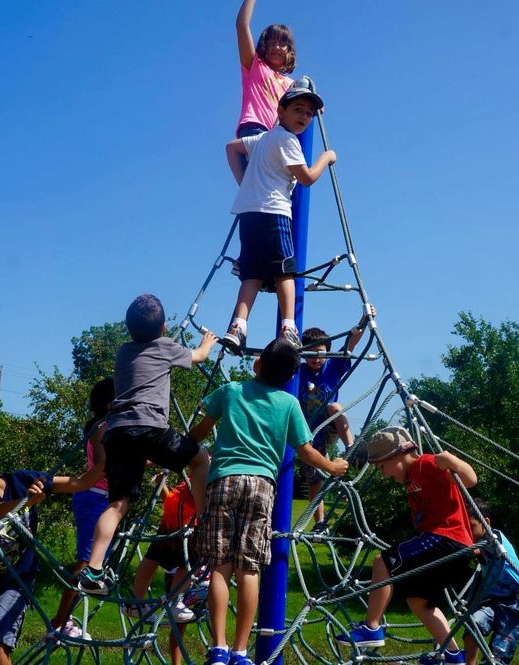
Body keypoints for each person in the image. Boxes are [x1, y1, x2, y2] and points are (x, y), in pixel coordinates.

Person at [189, 338, 349, 665]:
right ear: (291, 376)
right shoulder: (288, 403)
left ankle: (218, 648)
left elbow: (199, 432)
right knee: (248, 568)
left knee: (220, 565)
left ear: (257, 363)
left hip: (224, 479)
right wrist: (333, 466)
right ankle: (240, 650)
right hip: (262, 485)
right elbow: (306, 451)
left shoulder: (231, 391)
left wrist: (177, 446)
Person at [77, 293, 217, 595]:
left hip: (117, 432)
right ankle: (204, 518)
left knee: (117, 504)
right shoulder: (165, 346)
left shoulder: (123, 351)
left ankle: (94, 568)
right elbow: (199, 357)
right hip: (149, 427)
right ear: (164, 327)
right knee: (201, 459)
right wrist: (207, 342)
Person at [334, 427, 477, 665]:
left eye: (383, 467)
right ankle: (452, 655)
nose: (383, 474)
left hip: (447, 538)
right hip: (449, 546)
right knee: (417, 601)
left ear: (397, 455)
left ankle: (371, 628)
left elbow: (470, 480)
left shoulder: (426, 464)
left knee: (383, 562)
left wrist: (449, 459)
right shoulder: (412, 480)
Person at [0, 451, 102, 665]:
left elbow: (80, 483)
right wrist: (26, 502)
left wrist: (110, 459)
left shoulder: (22, 480)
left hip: (17, 583)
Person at [220, 78, 337, 354]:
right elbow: (307, 178)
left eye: (309, 113)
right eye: (298, 109)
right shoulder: (288, 139)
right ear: (280, 111)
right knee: (285, 272)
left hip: (248, 212)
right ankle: (289, 327)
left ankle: (237, 326)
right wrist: (326, 158)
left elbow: (231, 148)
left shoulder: (263, 138)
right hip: (274, 212)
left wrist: (244, 182)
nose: (304, 117)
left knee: (251, 274)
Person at [298, 306, 375, 533]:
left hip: (329, 424)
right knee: (314, 477)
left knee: (334, 407)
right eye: (310, 353)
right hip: (308, 432)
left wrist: (364, 319)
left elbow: (351, 342)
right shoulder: (297, 371)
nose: (316, 358)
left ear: (328, 352)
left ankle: (352, 445)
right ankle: (320, 523)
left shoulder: (333, 366)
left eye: (320, 352)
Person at [49, 377, 115, 639]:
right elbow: (103, 464)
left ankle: (62, 620)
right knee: (86, 562)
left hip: (100, 497)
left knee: (92, 562)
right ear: (110, 403)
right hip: (94, 496)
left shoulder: (106, 426)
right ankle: (58, 622)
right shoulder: (103, 427)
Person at [124, 472, 205, 665]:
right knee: (190, 561)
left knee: (154, 555)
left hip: (175, 506)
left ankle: (135, 602)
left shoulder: (200, 466)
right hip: (186, 514)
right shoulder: (213, 464)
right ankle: (174, 602)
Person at [462, 499, 519, 665]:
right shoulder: (478, 542)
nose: (467, 532)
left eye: (471, 526)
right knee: (473, 625)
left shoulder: (495, 539)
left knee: (498, 656)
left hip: (516, 605)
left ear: (486, 522)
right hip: (494, 602)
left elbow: (475, 552)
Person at [234, 0, 296, 139]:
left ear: (289, 51)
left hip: (277, 135)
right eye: (272, 42)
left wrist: (316, 106)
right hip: (255, 128)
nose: (277, 47)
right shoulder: (255, 65)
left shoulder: (290, 84)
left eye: (282, 43)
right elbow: (242, 26)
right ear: (265, 46)